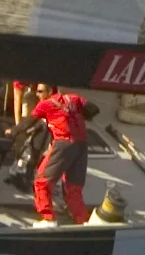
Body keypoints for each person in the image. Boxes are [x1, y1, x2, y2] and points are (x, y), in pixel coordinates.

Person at [27, 83, 99, 226]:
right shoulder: (73, 98)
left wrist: (13, 131)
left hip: (63, 144)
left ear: (50, 91)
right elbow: (93, 109)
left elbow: (29, 121)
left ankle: (48, 219)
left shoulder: (45, 104)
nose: (37, 95)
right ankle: (82, 221)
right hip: (81, 146)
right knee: (73, 187)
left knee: (42, 181)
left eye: (40, 91)